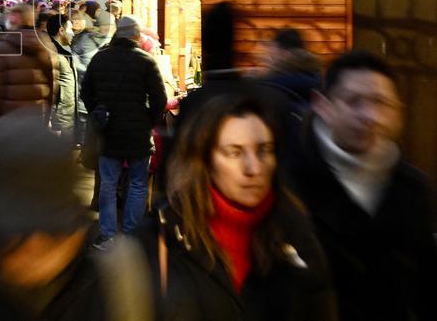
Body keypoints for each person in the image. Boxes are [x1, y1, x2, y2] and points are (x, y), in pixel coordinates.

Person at [0, 111, 152, 321]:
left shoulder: (111, 283)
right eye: (20, 235)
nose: (35, 249)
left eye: (52, 233)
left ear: (75, 228)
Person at [138, 89, 336, 321]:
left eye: (264, 150)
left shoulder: (298, 237)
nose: (253, 168)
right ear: (204, 161)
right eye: (234, 152)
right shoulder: (160, 241)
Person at [285, 50, 437, 321]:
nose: (369, 115)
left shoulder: (414, 189)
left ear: (397, 112)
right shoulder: (289, 184)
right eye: (353, 101)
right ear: (323, 106)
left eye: (380, 103)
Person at [82, 15, 166, 248]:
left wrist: (97, 111)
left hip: (109, 131)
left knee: (108, 184)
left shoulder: (100, 58)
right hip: (138, 133)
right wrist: (149, 120)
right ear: (137, 36)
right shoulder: (146, 61)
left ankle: (108, 234)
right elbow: (160, 98)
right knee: (138, 183)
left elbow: (85, 92)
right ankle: (131, 234)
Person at [0, 4, 56, 125]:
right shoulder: (47, 45)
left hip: (8, 120)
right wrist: (46, 117)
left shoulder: (1, 48)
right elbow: (52, 84)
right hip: (36, 118)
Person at [44, 13, 78, 143]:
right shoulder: (52, 53)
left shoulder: (63, 50)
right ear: (61, 30)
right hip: (58, 118)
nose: (73, 34)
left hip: (65, 115)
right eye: (70, 30)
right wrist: (51, 120)